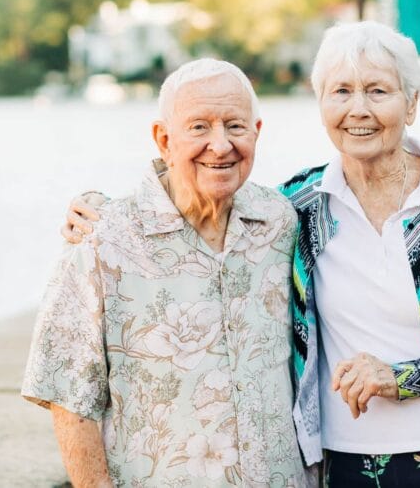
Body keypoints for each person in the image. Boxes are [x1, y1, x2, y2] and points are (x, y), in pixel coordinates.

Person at [64, 22, 420, 486]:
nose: (358, 110)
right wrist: (104, 212)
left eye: (378, 92)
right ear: (321, 105)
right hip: (349, 462)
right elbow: (206, 188)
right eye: (342, 92)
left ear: (411, 104)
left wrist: (403, 378)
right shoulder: (298, 205)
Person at [23, 59, 309, 487]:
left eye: (235, 126)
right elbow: (68, 397)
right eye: (199, 127)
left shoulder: (280, 221)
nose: (220, 145)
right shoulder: (104, 241)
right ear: (163, 139)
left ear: (257, 132)